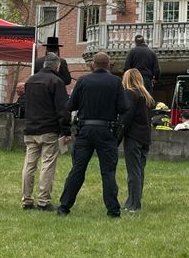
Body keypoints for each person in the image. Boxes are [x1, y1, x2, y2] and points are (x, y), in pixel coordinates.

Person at [57, 52, 128, 217]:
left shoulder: (83, 81)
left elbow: (70, 105)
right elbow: (124, 107)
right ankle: (113, 210)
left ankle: (64, 207)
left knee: (77, 169)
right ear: (108, 65)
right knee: (108, 172)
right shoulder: (116, 82)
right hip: (106, 130)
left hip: (85, 130)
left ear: (93, 65)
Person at [21, 53, 72, 211]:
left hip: (30, 128)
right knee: (47, 165)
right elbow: (63, 109)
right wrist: (66, 130)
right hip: (49, 128)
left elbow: (25, 105)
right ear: (57, 66)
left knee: (29, 165)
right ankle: (43, 200)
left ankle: (26, 199)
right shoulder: (56, 82)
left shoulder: (30, 81)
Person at [120, 68, 155, 212]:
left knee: (133, 172)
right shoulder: (146, 96)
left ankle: (133, 204)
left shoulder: (130, 94)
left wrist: (118, 135)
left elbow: (126, 118)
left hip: (133, 137)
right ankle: (135, 201)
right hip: (145, 138)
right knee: (139, 171)